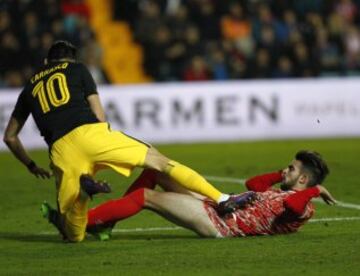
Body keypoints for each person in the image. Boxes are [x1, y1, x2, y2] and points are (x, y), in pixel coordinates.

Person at [3, 40, 235, 242]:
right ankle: (221, 198)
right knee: (159, 161)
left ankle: (84, 194)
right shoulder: (78, 69)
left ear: (46, 61)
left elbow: (10, 137)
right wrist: (104, 142)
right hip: (91, 133)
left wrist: (31, 165)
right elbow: (99, 113)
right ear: (71, 60)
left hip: (62, 150)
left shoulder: (29, 88)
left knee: (72, 233)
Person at [61, 150, 335, 240]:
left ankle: (81, 222)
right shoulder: (278, 190)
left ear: (303, 179)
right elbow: (252, 183)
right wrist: (281, 174)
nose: (285, 170)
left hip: (221, 224)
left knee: (145, 196)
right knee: (157, 171)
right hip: (219, 205)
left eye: (292, 168)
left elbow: (292, 203)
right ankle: (108, 223)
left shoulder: (305, 207)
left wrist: (315, 190)